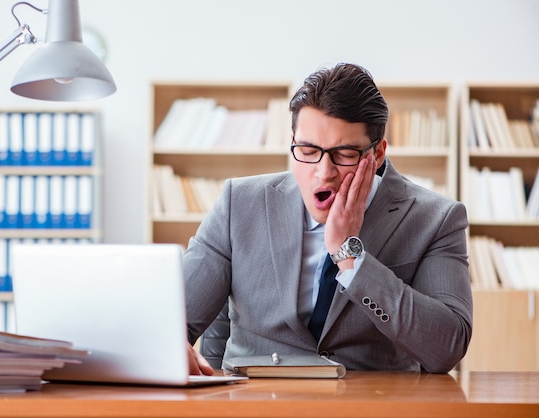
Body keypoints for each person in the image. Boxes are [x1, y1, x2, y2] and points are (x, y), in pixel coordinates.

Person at [184, 62, 472, 375]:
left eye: (345, 154)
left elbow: (447, 349)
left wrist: (350, 256)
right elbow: (174, 321)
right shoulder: (239, 204)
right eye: (307, 151)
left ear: (377, 155)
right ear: (292, 141)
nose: (324, 173)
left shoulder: (436, 219)